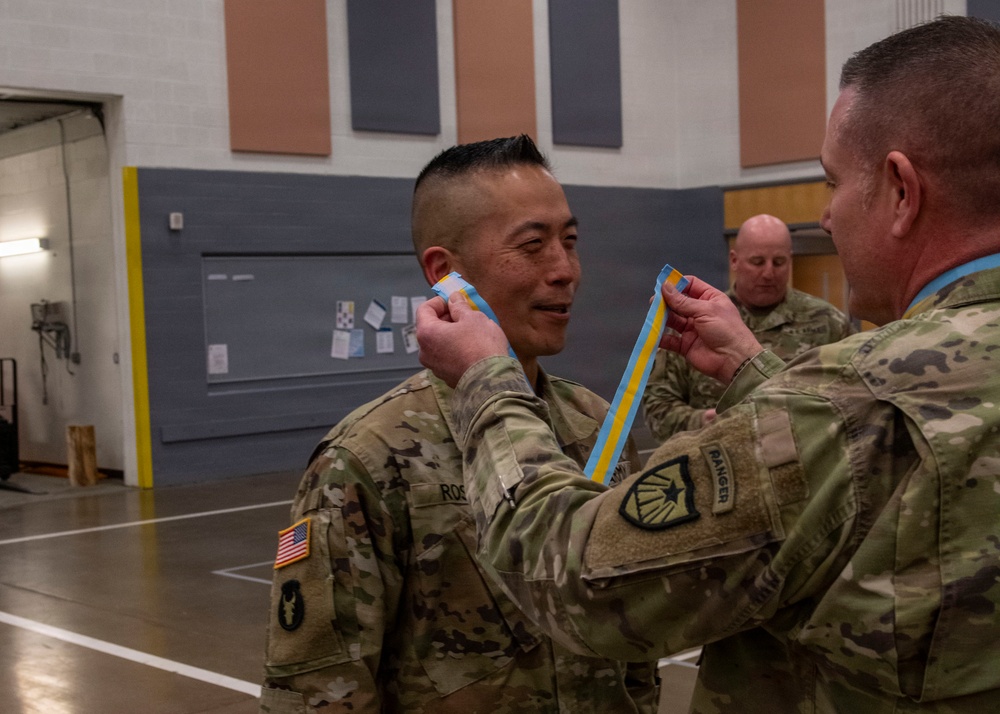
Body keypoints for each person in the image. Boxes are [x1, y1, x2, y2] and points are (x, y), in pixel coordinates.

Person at [415, 16, 1000, 712]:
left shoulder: (852, 397)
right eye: (534, 244)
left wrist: (486, 380)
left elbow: (578, 581)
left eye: (835, 182)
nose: (828, 217)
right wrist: (755, 369)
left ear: (902, 191)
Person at [258, 135, 658, 713]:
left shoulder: (598, 428)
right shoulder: (367, 460)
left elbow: (633, 642)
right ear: (446, 273)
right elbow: (316, 695)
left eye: (570, 242)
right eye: (533, 246)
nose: (565, 270)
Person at [642, 213, 853, 440]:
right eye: (758, 262)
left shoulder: (828, 322)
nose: (769, 273)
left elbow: (853, 403)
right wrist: (704, 422)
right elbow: (657, 408)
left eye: (779, 262)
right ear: (734, 260)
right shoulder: (697, 321)